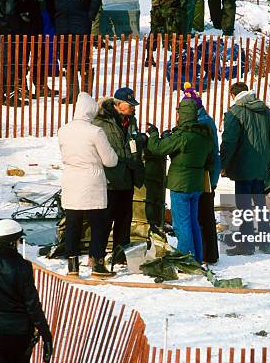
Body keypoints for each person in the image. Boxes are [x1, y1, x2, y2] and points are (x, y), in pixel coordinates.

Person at [0, 219, 53, 363]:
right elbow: (32, 305)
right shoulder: (23, 266)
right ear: (13, 242)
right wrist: (46, 335)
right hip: (19, 334)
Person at [58, 92, 118, 278]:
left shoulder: (63, 130)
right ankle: (97, 264)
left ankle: (72, 266)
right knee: (98, 224)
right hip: (92, 182)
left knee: (73, 225)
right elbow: (110, 160)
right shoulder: (95, 132)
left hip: (71, 181)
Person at [147, 99, 213, 263]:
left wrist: (154, 134)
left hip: (180, 185)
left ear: (182, 115)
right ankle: (197, 257)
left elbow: (157, 148)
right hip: (196, 185)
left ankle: (185, 260)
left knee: (181, 225)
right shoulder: (203, 135)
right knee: (193, 223)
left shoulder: (183, 136)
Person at [220, 82, 270, 256]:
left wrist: (223, 164)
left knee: (245, 207)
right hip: (262, 167)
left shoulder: (235, 112)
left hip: (243, 169)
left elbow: (229, 142)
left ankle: (246, 246)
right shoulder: (266, 111)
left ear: (233, 95)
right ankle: (265, 242)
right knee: (261, 204)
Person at [93, 88, 145, 262]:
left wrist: (140, 141)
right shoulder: (101, 122)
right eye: (129, 105)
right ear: (117, 104)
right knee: (105, 221)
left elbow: (133, 143)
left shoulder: (132, 121)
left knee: (124, 220)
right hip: (110, 179)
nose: (132, 108)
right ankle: (97, 255)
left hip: (128, 177)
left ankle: (120, 254)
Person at [45, 0, 101, 99]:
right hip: (62, 25)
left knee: (84, 60)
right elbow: (48, 1)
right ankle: (72, 93)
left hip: (81, 25)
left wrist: (89, 15)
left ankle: (86, 95)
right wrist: (55, 18)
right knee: (66, 60)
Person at [180, 83, 220, 264]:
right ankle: (209, 253)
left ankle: (206, 254)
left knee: (203, 215)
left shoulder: (202, 124)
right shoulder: (205, 120)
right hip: (208, 173)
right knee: (205, 214)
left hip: (205, 175)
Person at [0, 0, 42, 106]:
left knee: (5, 65)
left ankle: (0, 95)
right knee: (11, 66)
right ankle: (9, 96)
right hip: (12, 33)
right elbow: (11, 12)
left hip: (4, 30)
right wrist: (22, 23)